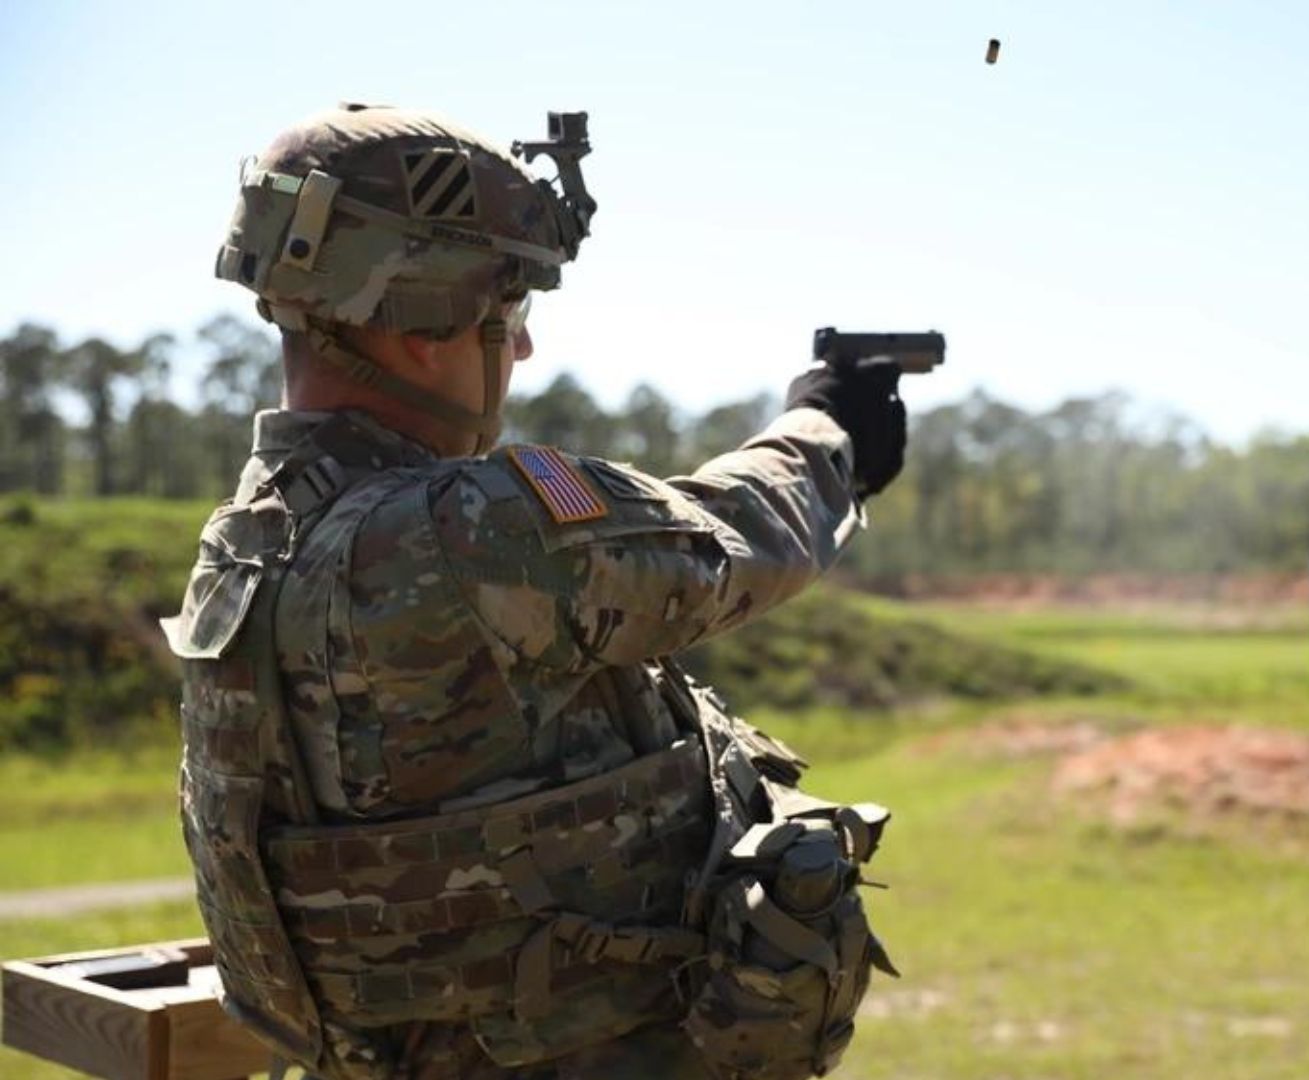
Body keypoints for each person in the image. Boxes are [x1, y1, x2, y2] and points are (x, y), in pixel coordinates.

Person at [165, 104, 903, 1079]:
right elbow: (733, 542)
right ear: (432, 317)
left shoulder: (251, 538)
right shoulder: (468, 526)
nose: (519, 352)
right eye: (509, 312)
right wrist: (824, 433)